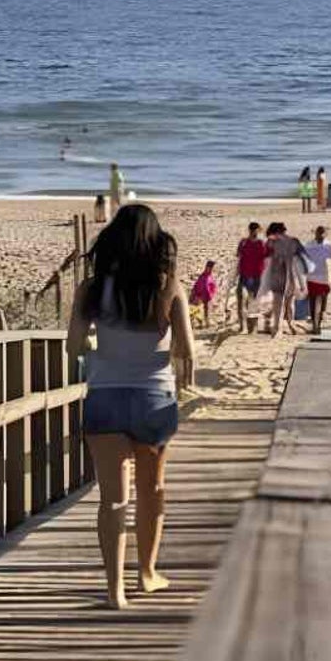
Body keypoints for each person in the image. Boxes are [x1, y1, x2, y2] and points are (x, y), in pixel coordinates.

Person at [67, 204, 194, 610]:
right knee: (152, 489)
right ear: (156, 242)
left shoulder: (91, 288)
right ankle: (147, 574)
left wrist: (102, 347)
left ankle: (114, 591)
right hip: (153, 398)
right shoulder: (168, 285)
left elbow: (73, 346)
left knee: (112, 499)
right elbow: (186, 351)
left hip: (105, 395)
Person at [262, 221, 309, 336]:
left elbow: (264, 256)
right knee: (289, 302)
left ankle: (278, 327)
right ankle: (289, 324)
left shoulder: (271, 242)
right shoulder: (294, 241)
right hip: (291, 275)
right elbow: (304, 257)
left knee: (279, 302)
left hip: (278, 274)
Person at [303, 225, 331, 335]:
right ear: (315, 233)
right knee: (312, 301)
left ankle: (320, 321)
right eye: (319, 233)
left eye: (323, 233)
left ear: (326, 234)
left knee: (322, 301)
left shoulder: (328, 246)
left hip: (325, 278)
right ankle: (314, 325)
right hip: (311, 278)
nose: (321, 235)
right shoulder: (308, 246)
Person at [235, 222, 267, 333]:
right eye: (253, 231)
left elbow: (266, 259)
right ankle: (242, 326)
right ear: (250, 230)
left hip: (256, 277)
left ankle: (252, 327)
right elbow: (238, 258)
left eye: (257, 231)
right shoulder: (243, 243)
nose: (255, 233)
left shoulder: (261, 244)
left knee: (253, 302)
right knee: (241, 299)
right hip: (244, 276)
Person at [190, 260, 218, 328]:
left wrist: (212, 294)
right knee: (197, 309)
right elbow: (197, 285)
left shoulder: (210, 276)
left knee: (206, 310)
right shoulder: (203, 276)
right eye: (209, 267)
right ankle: (198, 323)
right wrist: (195, 294)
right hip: (200, 295)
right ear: (206, 267)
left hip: (207, 296)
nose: (210, 269)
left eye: (211, 268)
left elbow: (213, 286)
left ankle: (206, 323)